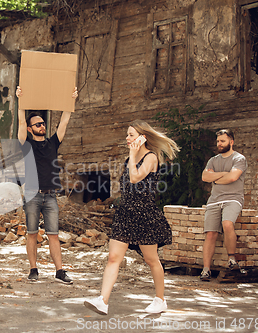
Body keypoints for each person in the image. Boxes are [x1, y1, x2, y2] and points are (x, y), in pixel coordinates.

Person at [84, 120, 179, 315]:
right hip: (126, 213)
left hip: (144, 214)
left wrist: (133, 154)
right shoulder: (131, 159)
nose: (127, 139)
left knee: (151, 259)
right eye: (127, 135)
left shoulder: (151, 157)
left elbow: (135, 178)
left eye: (131, 135)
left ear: (143, 137)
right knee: (113, 258)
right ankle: (103, 300)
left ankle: (160, 300)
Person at [16, 85, 78, 284]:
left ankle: (60, 271)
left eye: (43, 123)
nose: (42, 126)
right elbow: (19, 120)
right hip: (32, 194)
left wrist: (71, 99)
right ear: (30, 129)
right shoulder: (26, 144)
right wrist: (20, 101)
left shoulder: (53, 142)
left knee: (53, 235)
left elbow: (65, 120)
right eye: (37, 124)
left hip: (51, 195)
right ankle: (33, 269)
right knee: (32, 234)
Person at [199, 129, 247, 281]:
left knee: (227, 224)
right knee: (210, 233)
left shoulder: (239, 158)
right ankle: (206, 270)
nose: (219, 144)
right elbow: (205, 176)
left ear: (231, 142)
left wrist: (216, 177)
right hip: (214, 200)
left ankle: (232, 259)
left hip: (233, 199)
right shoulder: (213, 160)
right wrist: (223, 175)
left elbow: (233, 177)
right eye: (218, 141)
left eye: (222, 141)